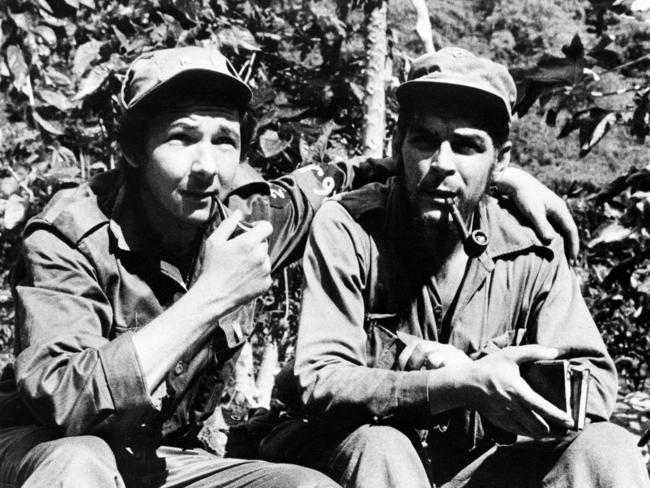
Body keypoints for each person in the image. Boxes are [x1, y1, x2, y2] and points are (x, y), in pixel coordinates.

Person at [0, 45, 581, 488]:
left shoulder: (252, 220)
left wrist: (503, 177)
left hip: (173, 460)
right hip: (46, 449)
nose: (207, 166)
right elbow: (65, 403)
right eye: (181, 138)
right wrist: (212, 294)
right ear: (129, 149)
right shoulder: (68, 235)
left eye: (225, 141)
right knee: (80, 463)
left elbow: (368, 169)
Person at [259, 48, 650, 488]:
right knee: (382, 447)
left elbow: (594, 381)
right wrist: (447, 380)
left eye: (466, 146)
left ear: (500, 161)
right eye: (424, 140)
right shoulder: (349, 227)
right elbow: (320, 380)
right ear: (398, 146)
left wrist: (490, 374)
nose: (442, 163)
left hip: (470, 468)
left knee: (608, 449)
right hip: (352, 460)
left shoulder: (531, 249)